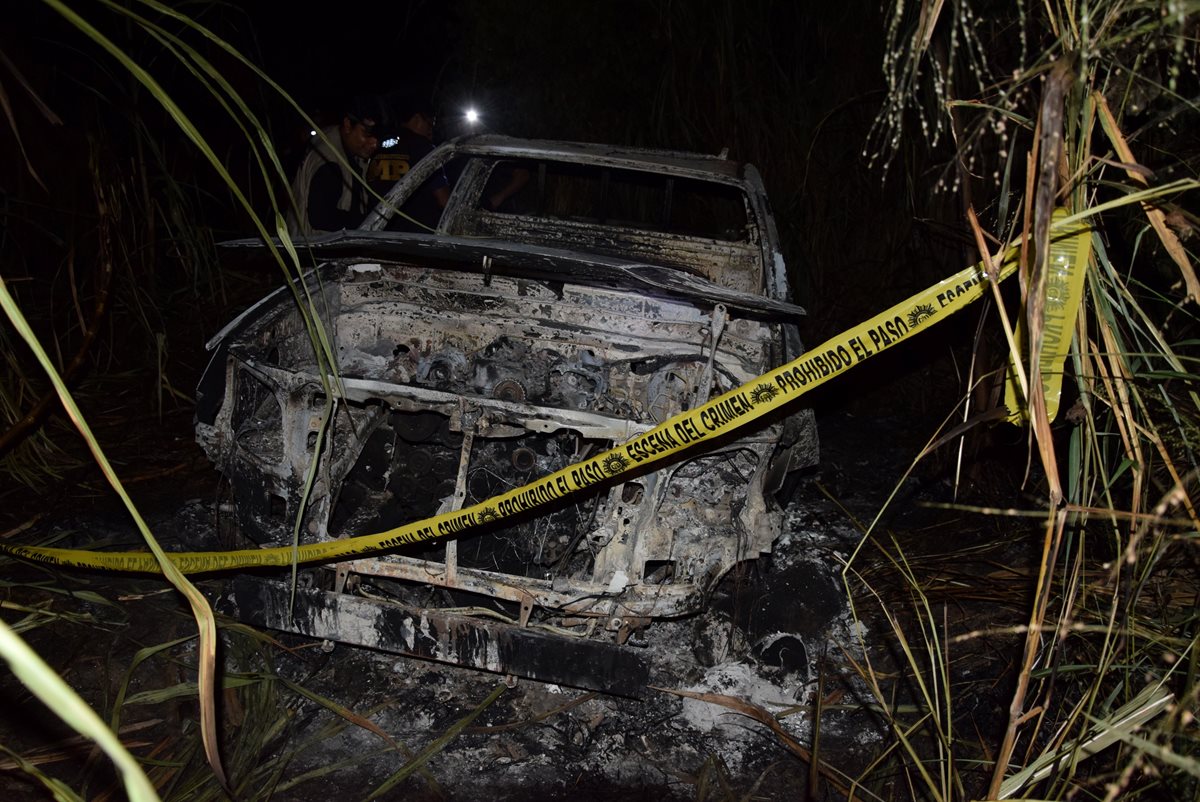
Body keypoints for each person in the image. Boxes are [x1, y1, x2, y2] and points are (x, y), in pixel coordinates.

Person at [288, 96, 381, 236]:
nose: (374, 143)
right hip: (317, 252)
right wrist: (368, 223)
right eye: (367, 134)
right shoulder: (329, 162)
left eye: (377, 136)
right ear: (348, 125)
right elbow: (321, 218)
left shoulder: (347, 148)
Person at [371, 96, 450, 232]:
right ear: (417, 119)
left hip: (378, 229)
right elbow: (444, 200)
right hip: (415, 235)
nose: (430, 130)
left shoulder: (380, 145)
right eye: (430, 124)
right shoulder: (424, 149)